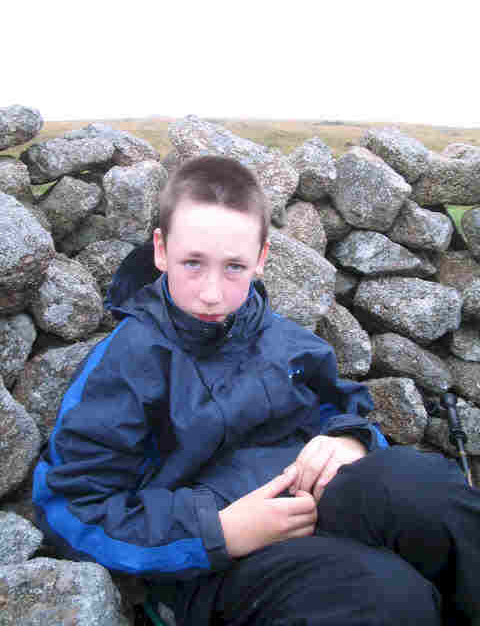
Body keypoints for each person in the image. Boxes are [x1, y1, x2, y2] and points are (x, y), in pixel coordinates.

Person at [33, 156, 480, 626]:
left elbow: (341, 409)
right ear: (161, 250)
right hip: (210, 563)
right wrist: (218, 532)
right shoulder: (123, 365)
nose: (211, 293)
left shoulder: (284, 338)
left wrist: (349, 441)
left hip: (311, 500)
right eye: (192, 263)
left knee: (423, 488)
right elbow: (72, 503)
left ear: (262, 259)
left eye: (234, 267)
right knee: (386, 597)